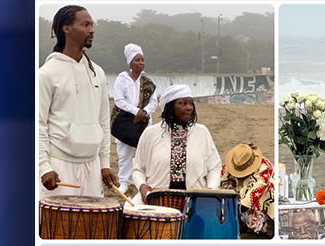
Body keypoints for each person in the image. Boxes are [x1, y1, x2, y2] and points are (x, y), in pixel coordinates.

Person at [37, 5, 115, 199]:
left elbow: (104, 122)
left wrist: (104, 164)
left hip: (93, 166)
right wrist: (43, 167)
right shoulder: (46, 73)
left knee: (92, 229)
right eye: (85, 24)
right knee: (58, 229)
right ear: (66, 29)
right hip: (59, 167)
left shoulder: (98, 73)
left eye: (92, 25)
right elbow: (38, 125)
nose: (91, 30)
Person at [132, 85, 223, 200]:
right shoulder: (150, 133)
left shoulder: (202, 132)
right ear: (170, 107)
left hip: (195, 200)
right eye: (183, 103)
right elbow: (138, 169)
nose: (189, 108)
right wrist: (142, 186)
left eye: (191, 103)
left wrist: (210, 190)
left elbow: (214, 168)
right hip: (157, 200)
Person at [111, 43, 158, 194]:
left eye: (142, 60)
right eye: (137, 60)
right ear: (130, 62)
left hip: (143, 121)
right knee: (124, 153)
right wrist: (136, 111)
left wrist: (144, 112)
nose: (141, 63)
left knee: (143, 153)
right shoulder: (122, 79)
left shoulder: (148, 83)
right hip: (125, 120)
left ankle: (141, 182)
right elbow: (118, 100)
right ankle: (124, 182)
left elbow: (154, 101)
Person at [219, 143, 276, 239]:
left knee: (266, 194)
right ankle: (240, 224)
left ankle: (267, 225)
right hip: (241, 193)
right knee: (227, 188)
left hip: (261, 198)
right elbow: (220, 182)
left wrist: (240, 208)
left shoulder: (265, 166)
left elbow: (259, 187)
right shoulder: (229, 167)